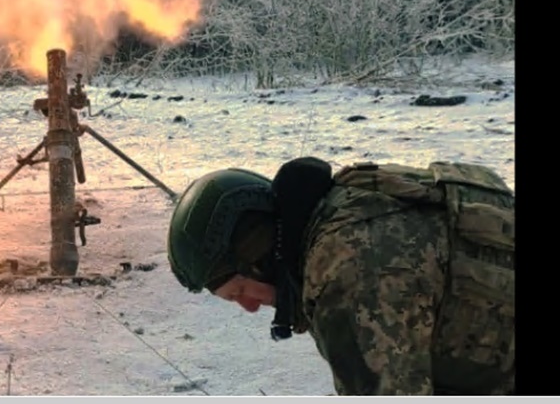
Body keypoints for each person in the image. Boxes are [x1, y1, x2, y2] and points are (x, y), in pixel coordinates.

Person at [166, 156, 514, 395]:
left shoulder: (344, 277)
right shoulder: (354, 200)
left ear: (256, 256)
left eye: (238, 291)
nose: (250, 308)